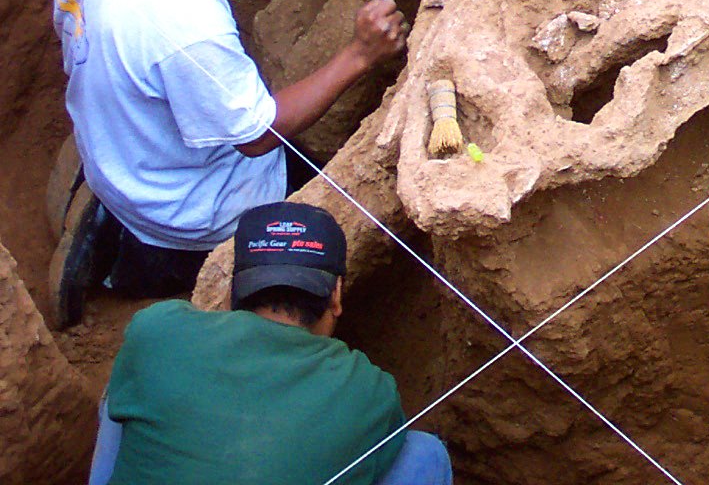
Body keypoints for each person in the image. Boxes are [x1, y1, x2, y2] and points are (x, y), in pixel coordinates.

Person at [47, 0, 408, 327]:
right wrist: (360, 55)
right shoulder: (185, 13)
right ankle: (125, 269)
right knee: (336, 228)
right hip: (187, 210)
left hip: (115, 146)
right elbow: (257, 136)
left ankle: (109, 219)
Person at [87, 201, 452, 485]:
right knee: (423, 452)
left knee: (125, 393)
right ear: (336, 295)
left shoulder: (157, 332)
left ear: (234, 291)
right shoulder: (370, 389)